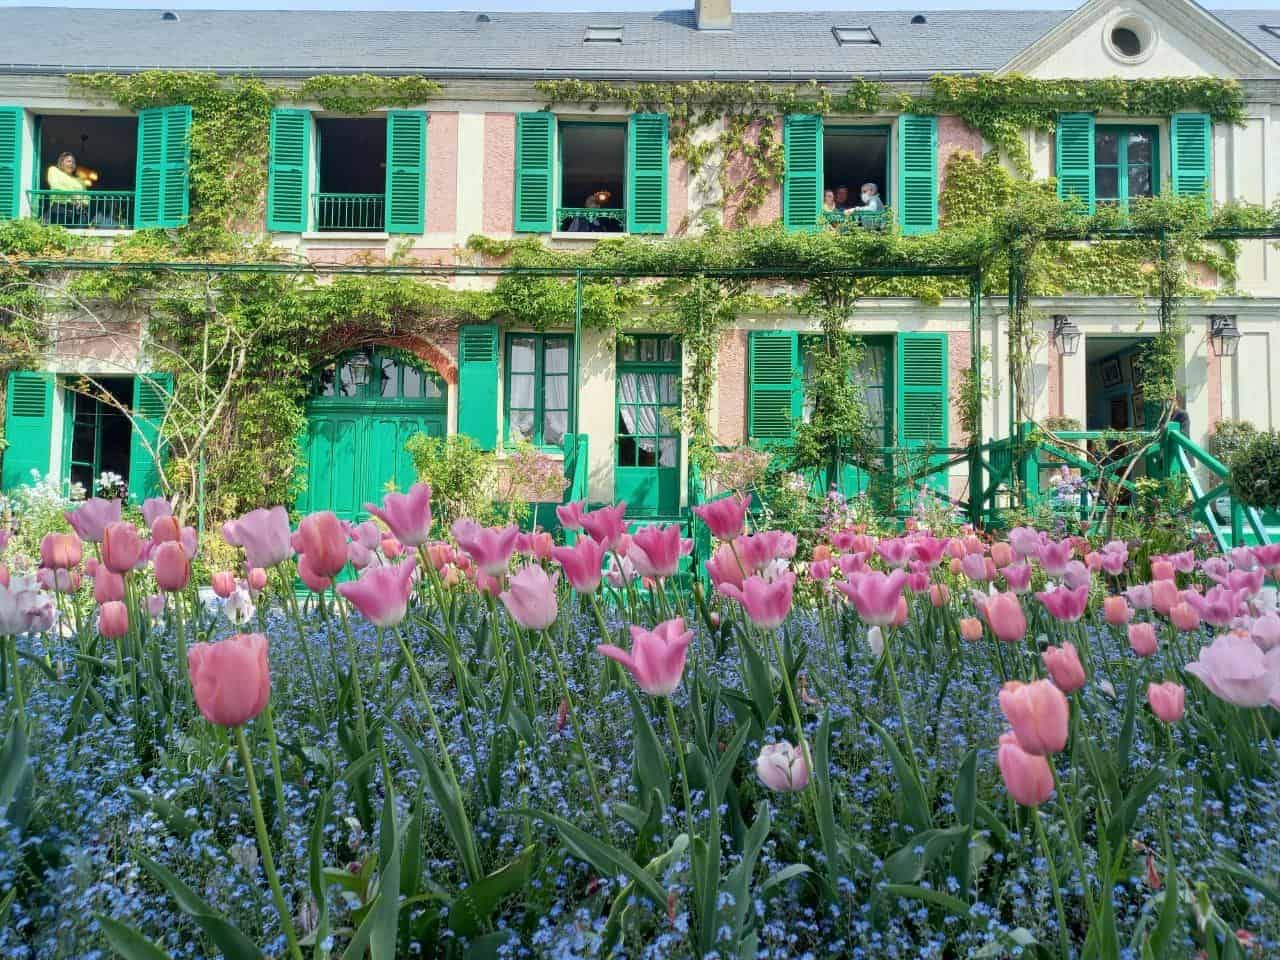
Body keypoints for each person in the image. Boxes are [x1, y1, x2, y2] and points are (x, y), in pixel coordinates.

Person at [45, 152, 89, 224]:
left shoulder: (80, 180)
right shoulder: (54, 170)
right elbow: (55, 186)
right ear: (61, 162)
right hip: (60, 207)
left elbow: (87, 196)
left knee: (78, 234)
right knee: (59, 232)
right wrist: (73, 195)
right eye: (69, 161)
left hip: (77, 210)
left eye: (74, 162)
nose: (72, 164)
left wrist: (82, 202)